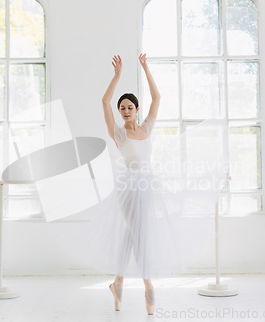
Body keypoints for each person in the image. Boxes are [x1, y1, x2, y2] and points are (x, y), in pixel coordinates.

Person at [49, 54, 229, 315]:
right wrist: (117, 77)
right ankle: (147, 284)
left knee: (132, 233)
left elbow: (157, 98)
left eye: (129, 107)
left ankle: (118, 283)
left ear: (136, 109)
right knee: (138, 231)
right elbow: (104, 101)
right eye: (121, 108)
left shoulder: (146, 128)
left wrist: (146, 68)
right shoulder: (118, 133)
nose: (124, 111)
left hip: (148, 185)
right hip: (127, 187)